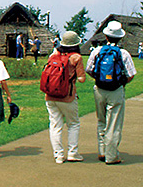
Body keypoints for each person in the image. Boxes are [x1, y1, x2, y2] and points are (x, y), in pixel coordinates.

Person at [85, 20, 137, 165]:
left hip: (99, 89)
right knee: (113, 123)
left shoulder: (97, 51)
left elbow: (89, 69)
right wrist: (121, 83)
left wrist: (99, 79)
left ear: (106, 37)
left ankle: (102, 151)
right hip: (116, 90)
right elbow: (131, 74)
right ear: (120, 38)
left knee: (101, 120)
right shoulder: (123, 53)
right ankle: (111, 155)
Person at [44, 31, 86, 164]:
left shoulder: (54, 55)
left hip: (50, 96)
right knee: (73, 123)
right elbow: (82, 79)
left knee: (55, 125)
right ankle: (73, 152)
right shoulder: (76, 57)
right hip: (67, 96)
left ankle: (58, 155)